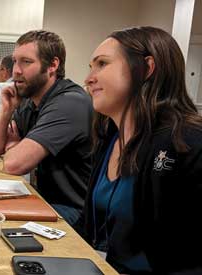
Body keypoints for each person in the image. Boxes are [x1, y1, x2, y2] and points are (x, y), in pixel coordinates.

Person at [83, 26, 202, 274]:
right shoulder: (108, 137)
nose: (89, 78)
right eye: (90, 67)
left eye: (102, 64)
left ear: (147, 68)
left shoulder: (188, 142)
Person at [0, 30, 93, 230]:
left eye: (26, 62)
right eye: (15, 61)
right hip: (42, 199)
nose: (16, 70)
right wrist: (7, 110)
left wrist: (14, 147)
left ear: (53, 65)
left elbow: (13, 165)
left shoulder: (69, 102)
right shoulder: (29, 101)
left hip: (75, 211)